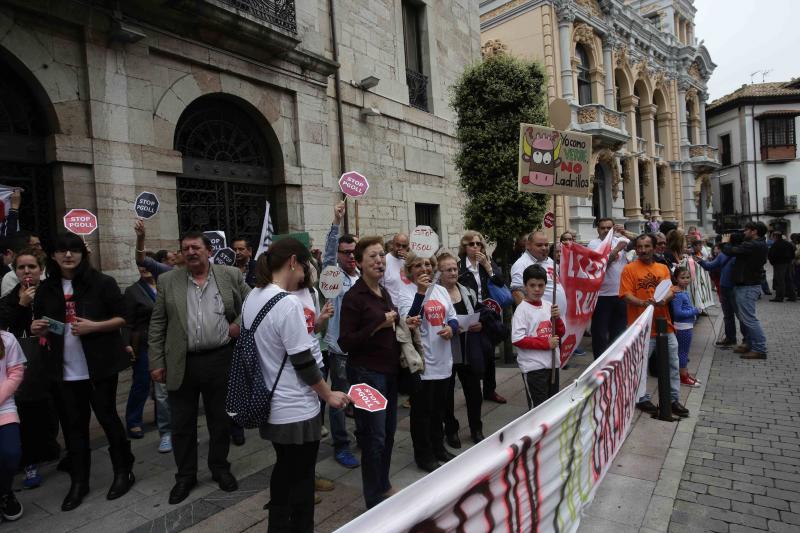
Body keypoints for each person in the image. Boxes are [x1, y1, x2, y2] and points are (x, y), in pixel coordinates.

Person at [245, 238, 349, 532]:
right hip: (296, 408)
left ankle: (276, 526)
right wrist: (328, 395)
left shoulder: (254, 296)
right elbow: (303, 361)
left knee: (283, 472)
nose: (305, 275)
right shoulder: (287, 302)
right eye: (305, 267)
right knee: (302, 482)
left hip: (270, 402)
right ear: (293, 261)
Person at [32, 233, 134, 511]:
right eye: (62, 250)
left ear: (82, 254)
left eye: (74, 250)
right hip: (63, 372)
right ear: (52, 255)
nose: (68, 255)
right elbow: (39, 321)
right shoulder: (46, 288)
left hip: (99, 368)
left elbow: (124, 317)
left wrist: (94, 327)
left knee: (108, 418)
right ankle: (80, 481)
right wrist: (36, 328)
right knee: (74, 428)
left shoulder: (102, 283)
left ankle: (123, 471)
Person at [148, 231, 251, 504]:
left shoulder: (229, 274)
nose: (190, 252)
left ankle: (220, 468)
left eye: (195, 247)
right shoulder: (168, 280)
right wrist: (156, 362)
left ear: (208, 250)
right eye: (185, 249)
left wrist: (238, 324)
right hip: (181, 363)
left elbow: (252, 302)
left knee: (220, 421)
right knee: (181, 423)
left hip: (220, 360)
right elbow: (157, 324)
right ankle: (185, 477)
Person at [339, 236, 402, 509]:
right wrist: (378, 324)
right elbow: (346, 342)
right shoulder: (355, 297)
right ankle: (372, 498)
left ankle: (383, 484)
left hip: (388, 371)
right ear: (360, 263)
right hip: (366, 375)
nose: (379, 261)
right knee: (372, 437)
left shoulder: (382, 291)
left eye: (381, 256)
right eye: (373, 257)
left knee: (387, 433)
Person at [399, 253, 457, 473]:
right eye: (418, 265)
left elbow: (451, 315)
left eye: (427, 264)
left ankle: (438, 447)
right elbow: (409, 322)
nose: (424, 268)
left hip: (443, 359)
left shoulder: (441, 289)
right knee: (422, 413)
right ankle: (423, 454)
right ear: (409, 270)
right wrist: (421, 293)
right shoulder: (405, 292)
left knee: (439, 410)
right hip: (422, 363)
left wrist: (451, 327)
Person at [619, 234, 688, 418]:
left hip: (665, 326)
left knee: (673, 364)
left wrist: (664, 299)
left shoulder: (663, 268)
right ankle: (641, 398)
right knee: (640, 366)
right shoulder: (629, 269)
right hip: (641, 328)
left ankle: (673, 400)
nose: (643, 250)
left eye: (647, 246)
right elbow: (625, 295)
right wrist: (644, 304)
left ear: (654, 247)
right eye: (640, 247)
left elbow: (671, 290)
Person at [321, 201, 360, 469]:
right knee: (340, 398)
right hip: (340, 349)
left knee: (363, 395)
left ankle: (364, 437)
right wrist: (336, 222)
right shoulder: (334, 276)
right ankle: (341, 445)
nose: (350, 256)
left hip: (364, 347)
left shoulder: (362, 275)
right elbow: (327, 257)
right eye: (345, 252)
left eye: (353, 251)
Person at [437, 253, 486, 447]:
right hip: (446, 348)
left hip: (468, 348)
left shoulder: (467, 291)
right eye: (448, 269)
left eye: (455, 269)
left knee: (474, 391)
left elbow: (477, 313)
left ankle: (476, 428)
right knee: (446, 393)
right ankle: (451, 429)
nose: (453, 272)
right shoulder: (435, 294)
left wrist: (478, 324)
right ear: (439, 273)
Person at [124, 262, 172, 453]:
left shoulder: (165, 286)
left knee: (164, 388)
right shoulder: (133, 291)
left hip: (168, 343)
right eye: (140, 266)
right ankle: (133, 420)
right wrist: (126, 343)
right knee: (142, 382)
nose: (144, 269)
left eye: (147, 266)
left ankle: (164, 421)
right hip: (144, 344)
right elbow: (127, 321)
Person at [456, 230, 506, 404]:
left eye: (478, 244)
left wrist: (488, 267)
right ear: (465, 247)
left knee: (490, 352)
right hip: (470, 313)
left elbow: (500, 282)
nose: (475, 247)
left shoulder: (487, 262)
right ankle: (474, 389)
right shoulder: (460, 266)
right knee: (474, 353)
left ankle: (490, 390)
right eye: (471, 244)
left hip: (488, 312)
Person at [511, 265, 565, 409]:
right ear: (525, 286)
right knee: (539, 408)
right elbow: (517, 339)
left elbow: (560, 332)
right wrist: (546, 343)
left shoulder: (549, 306)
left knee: (552, 405)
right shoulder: (522, 310)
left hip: (552, 364)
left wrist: (557, 319)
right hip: (534, 367)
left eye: (541, 285)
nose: (537, 289)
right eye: (532, 285)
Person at [722, 222, 769, 359]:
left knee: (749, 319)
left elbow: (730, 251)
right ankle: (749, 343)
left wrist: (726, 242)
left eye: (746, 230)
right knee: (746, 317)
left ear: (754, 231)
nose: (744, 232)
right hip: (746, 284)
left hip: (748, 286)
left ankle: (759, 348)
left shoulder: (753, 245)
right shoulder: (757, 243)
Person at [588, 219, 630, 359]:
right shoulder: (594, 244)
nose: (606, 230)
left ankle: (615, 361)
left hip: (620, 295)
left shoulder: (620, 239)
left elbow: (644, 241)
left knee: (618, 332)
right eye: (603, 228)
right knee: (600, 333)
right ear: (598, 230)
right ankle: (599, 363)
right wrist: (618, 248)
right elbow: (602, 263)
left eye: (609, 228)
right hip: (601, 296)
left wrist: (625, 232)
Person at [699, 236, 746, 347]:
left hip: (733, 288)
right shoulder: (729, 254)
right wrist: (701, 262)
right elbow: (710, 266)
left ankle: (743, 340)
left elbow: (710, 266)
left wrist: (701, 262)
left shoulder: (728, 254)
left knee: (737, 315)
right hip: (728, 287)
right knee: (731, 315)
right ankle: (734, 339)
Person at [0, 330, 25, 521]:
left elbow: (16, 373)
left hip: (4, 406)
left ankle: (5, 491)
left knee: (11, 453)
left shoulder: (7, 339)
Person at [510, 231, 566, 310]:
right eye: (539, 245)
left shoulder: (549, 261)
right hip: (540, 319)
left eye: (546, 245)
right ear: (528, 245)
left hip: (558, 318)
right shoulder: (521, 264)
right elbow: (517, 293)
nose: (544, 248)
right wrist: (531, 316)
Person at [671, 266, 701, 387]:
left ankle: (685, 373)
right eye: (682, 278)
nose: (686, 280)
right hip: (682, 327)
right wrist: (695, 311)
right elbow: (678, 313)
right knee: (683, 352)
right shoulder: (678, 294)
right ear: (676, 279)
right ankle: (683, 376)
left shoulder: (683, 291)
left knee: (684, 352)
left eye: (688, 277)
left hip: (686, 326)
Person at [0, 230, 44, 297]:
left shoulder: (50, 289)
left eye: (32, 267)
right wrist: (22, 304)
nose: (26, 271)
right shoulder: (9, 278)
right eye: (35, 245)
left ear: (41, 270)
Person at [767, 231, 796, 302]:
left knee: (779, 280)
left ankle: (779, 297)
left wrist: (772, 263)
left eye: (772, 236)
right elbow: (793, 253)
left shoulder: (775, 245)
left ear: (775, 237)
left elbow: (771, 255)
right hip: (788, 263)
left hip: (779, 264)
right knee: (788, 279)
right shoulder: (788, 243)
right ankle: (792, 296)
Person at [382, 232, 410, 304]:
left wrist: (410, 260)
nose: (400, 248)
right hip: (393, 306)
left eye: (404, 246)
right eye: (398, 245)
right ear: (393, 244)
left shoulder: (409, 260)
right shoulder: (385, 260)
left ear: (408, 247)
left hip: (409, 303)